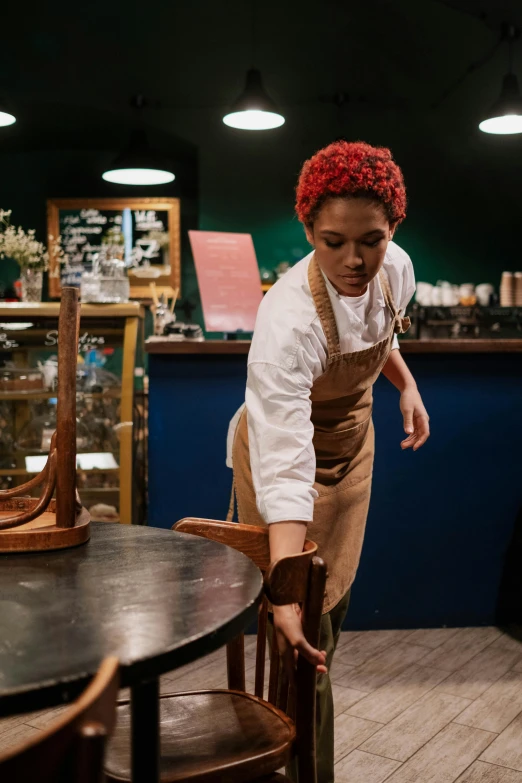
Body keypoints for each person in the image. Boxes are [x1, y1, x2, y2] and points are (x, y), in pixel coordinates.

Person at [228, 140, 430, 782]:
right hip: (286, 461)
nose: (355, 260)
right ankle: (300, 768)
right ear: (308, 229)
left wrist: (407, 386)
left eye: (370, 240)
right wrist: (285, 588)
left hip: (353, 450)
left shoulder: (397, 268)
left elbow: (378, 330)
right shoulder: (286, 323)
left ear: (392, 229)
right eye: (333, 241)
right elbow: (284, 466)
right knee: (298, 629)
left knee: (328, 615)